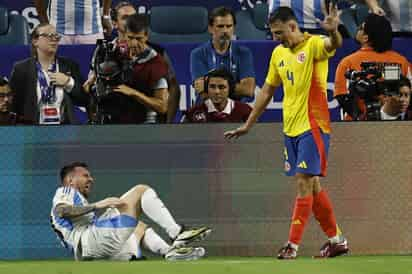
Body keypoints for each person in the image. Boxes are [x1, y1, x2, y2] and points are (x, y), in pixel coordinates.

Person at [225, 6, 349, 259]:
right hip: (290, 129)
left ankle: (292, 246)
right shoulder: (278, 53)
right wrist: (248, 124)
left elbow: (332, 43)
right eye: (272, 33)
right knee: (313, 186)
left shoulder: (313, 45)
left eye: (279, 32)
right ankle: (337, 241)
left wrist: (335, 31)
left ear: (293, 26)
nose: (275, 38)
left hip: (313, 126)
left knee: (303, 182)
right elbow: (267, 91)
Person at [50, 162, 212, 261]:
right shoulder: (66, 191)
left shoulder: (78, 198)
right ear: (70, 180)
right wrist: (98, 204)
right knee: (141, 191)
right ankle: (177, 233)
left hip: (89, 252)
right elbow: (61, 211)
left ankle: (170, 252)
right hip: (89, 242)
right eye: (86, 175)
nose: (91, 179)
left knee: (138, 225)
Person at [84, 1, 181, 123]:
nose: (131, 21)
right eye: (125, 18)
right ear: (114, 23)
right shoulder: (103, 51)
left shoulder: (157, 53)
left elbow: (173, 89)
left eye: (134, 16)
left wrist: (169, 122)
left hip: (146, 122)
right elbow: (90, 89)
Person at [334, 14, 411, 120]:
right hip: (395, 128)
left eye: (361, 28)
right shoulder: (403, 62)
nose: (357, 30)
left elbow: (342, 97)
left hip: (355, 130)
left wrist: (361, 118)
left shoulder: (347, 62)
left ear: (366, 38)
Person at [9, 23, 89, 125]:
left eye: (56, 36)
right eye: (48, 36)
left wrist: (68, 83)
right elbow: (14, 105)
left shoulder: (70, 66)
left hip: (65, 129)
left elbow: (84, 100)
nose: (54, 39)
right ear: (35, 41)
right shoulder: (21, 69)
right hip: (32, 129)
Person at [190, 6, 256, 102]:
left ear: (234, 28)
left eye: (229, 26)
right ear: (210, 28)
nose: (225, 31)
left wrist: (211, 86)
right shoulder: (198, 54)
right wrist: (236, 87)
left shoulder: (244, 53)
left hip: (235, 111)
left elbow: (248, 89)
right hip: (208, 111)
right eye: (220, 26)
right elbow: (201, 91)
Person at [182, 68, 252, 123]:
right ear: (207, 88)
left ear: (230, 89)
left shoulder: (245, 111)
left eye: (221, 87)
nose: (216, 92)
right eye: (212, 87)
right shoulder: (192, 113)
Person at [34, 0, 113, 44]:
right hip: (58, 31)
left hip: (92, 30)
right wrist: (45, 24)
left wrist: (106, 15)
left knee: (94, 70)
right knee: (57, 71)